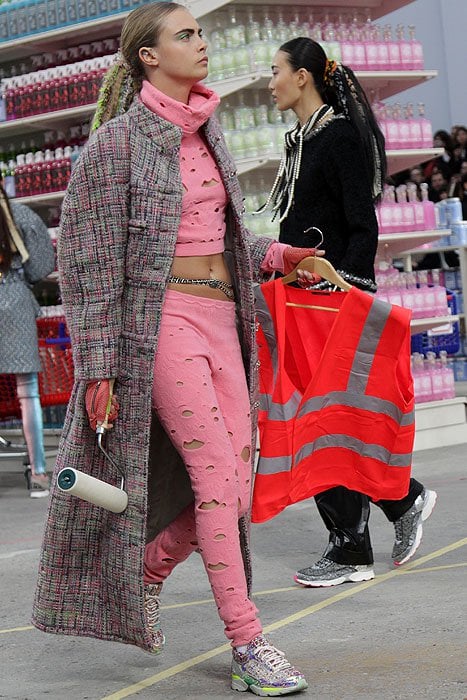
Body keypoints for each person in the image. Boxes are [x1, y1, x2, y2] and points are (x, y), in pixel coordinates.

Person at [31, 3, 320, 694]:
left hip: (227, 323)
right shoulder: (117, 145)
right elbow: (87, 261)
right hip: (161, 326)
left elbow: (224, 241)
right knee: (216, 479)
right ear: (148, 57)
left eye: (201, 32)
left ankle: (148, 571)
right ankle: (248, 643)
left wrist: (281, 254)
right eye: (185, 34)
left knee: (238, 487)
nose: (202, 43)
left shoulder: (210, 132)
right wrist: (99, 363)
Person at [261, 37, 436, 587]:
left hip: (332, 302)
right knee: (317, 422)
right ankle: (398, 504)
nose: (271, 82)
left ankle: (352, 547)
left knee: (324, 420)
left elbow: (363, 225)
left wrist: (351, 293)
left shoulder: (337, 138)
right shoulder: (304, 140)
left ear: (304, 77)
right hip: (300, 295)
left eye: (276, 71)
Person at [0, 182, 55, 497]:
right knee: (28, 393)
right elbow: (43, 264)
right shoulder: (20, 214)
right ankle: (38, 472)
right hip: (16, 300)